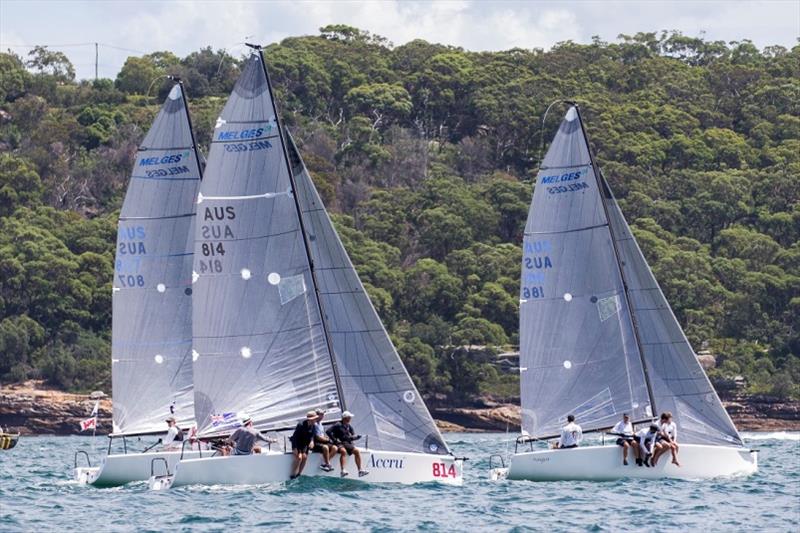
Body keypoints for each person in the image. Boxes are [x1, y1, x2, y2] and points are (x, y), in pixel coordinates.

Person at [326, 411, 368, 478]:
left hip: (347, 443)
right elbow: (328, 431)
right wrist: (334, 440)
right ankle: (343, 470)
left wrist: (356, 437)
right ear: (345, 418)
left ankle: (360, 470)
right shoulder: (338, 424)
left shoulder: (349, 426)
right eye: (349, 417)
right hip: (339, 443)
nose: (350, 419)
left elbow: (352, 435)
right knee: (343, 451)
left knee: (357, 451)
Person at [289, 411, 319, 479]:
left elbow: (312, 435)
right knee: (299, 457)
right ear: (310, 419)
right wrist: (295, 448)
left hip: (304, 444)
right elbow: (295, 437)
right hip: (297, 443)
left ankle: (299, 474)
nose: (315, 420)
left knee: (304, 457)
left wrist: (312, 441)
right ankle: (293, 474)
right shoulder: (301, 425)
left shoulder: (313, 426)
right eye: (315, 419)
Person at [312, 408, 335, 472]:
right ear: (317, 415)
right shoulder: (314, 424)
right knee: (325, 447)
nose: (323, 416)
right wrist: (327, 440)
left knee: (335, 448)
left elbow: (322, 434)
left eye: (323, 414)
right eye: (321, 414)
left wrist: (327, 438)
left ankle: (324, 463)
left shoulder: (320, 424)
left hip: (322, 441)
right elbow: (317, 437)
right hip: (315, 443)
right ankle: (328, 464)